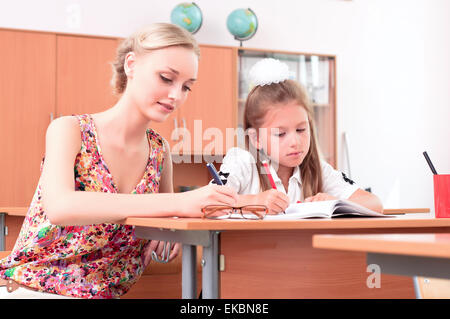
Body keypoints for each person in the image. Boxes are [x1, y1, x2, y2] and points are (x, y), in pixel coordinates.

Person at [0, 23, 237, 299]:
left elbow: (165, 217)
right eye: (165, 78)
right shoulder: (69, 130)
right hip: (32, 289)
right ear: (132, 65)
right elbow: (60, 206)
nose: (176, 95)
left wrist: (167, 226)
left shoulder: (159, 152)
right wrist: (178, 204)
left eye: (186, 87)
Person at [213, 58, 383, 215]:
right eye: (280, 134)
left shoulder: (317, 169)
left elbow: (374, 203)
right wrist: (253, 201)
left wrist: (336, 203)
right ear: (256, 138)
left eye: (301, 130)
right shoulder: (241, 162)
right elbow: (208, 204)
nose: (295, 142)